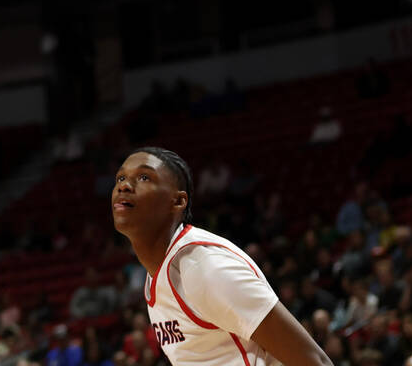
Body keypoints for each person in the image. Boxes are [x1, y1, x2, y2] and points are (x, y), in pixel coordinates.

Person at [111, 146, 333, 365]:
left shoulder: (204, 267)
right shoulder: (156, 274)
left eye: (143, 177)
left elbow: (315, 361)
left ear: (178, 202)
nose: (124, 186)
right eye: (120, 178)